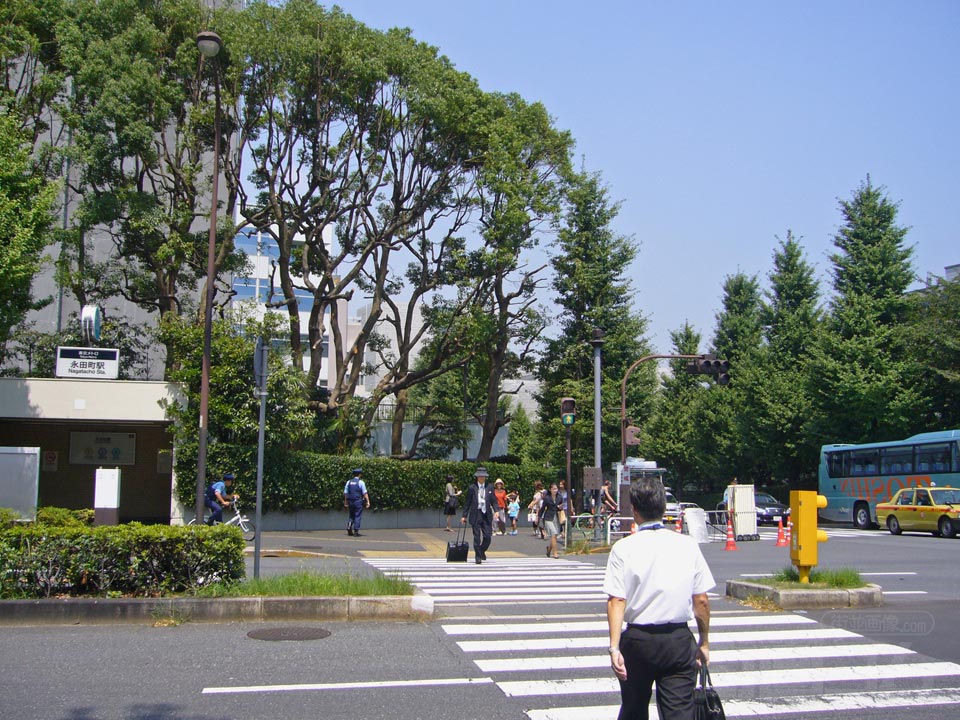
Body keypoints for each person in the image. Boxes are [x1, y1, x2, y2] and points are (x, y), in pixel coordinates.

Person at [604, 477, 714, 720]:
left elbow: (616, 601)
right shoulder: (687, 545)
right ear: (664, 508)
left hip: (638, 641)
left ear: (634, 510)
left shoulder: (624, 548)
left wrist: (614, 648)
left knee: (633, 709)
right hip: (677, 640)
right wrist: (704, 642)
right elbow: (702, 601)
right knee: (679, 712)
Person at [461, 466, 495, 564]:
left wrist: (496, 511)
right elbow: (467, 502)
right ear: (477, 477)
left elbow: (493, 500)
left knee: (487, 536)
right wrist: (464, 516)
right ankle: (477, 556)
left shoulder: (489, 487)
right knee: (477, 536)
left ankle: (481, 551)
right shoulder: (472, 488)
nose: (482, 478)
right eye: (480, 476)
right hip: (476, 514)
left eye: (483, 476)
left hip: (486, 514)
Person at [344, 468, 370, 537]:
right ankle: (356, 531)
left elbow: (346, 493)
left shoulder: (348, 482)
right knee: (357, 516)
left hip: (350, 502)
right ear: (359, 474)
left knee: (351, 515)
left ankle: (349, 527)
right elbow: (365, 493)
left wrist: (346, 502)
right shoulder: (361, 482)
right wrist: (368, 502)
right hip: (358, 502)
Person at [539, 482, 563, 559]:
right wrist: (538, 517)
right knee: (553, 534)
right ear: (550, 489)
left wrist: (560, 507)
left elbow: (561, 506)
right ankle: (555, 553)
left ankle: (549, 550)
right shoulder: (547, 498)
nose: (555, 490)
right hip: (548, 518)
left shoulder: (559, 497)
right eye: (553, 489)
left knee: (555, 536)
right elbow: (542, 508)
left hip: (556, 517)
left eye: (556, 489)